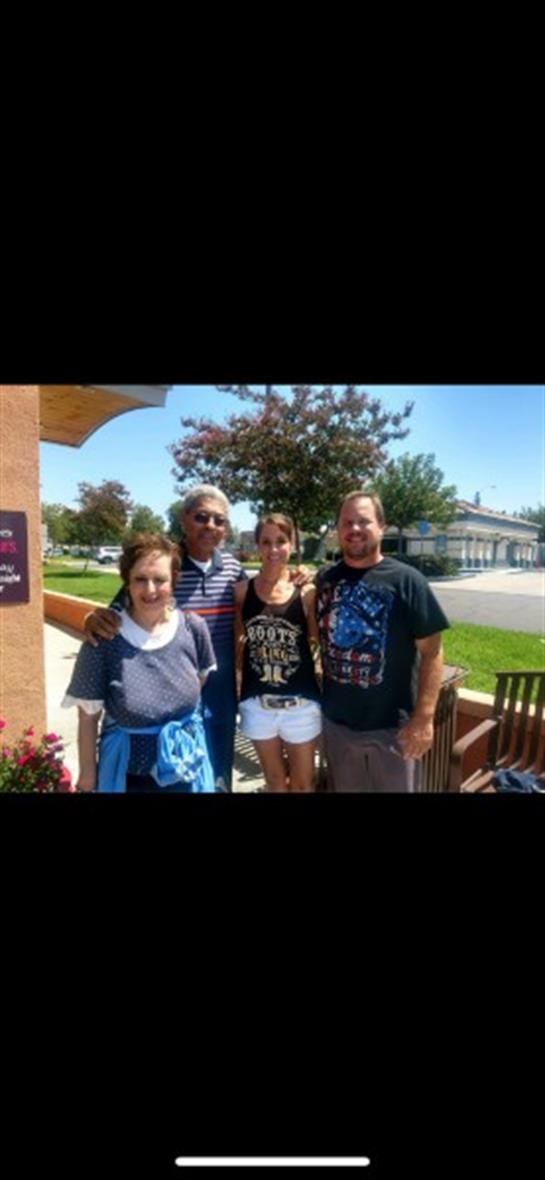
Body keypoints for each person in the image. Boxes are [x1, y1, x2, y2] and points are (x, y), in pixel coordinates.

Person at [83, 484, 312, 792]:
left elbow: (264, 596)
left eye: (219, 520)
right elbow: (116, 611)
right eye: (202, 517)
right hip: (172, 692)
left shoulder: (231, 567)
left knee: (218, 771)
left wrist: (294, 576)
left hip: (220, 691)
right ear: (184, 518)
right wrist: (91, 618)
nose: (211, 526)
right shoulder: (165, 567)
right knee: (179, 774)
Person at [315, 491, 449, 792]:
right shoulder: (325, 580)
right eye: (347, 522)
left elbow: (433, 652)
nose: (355, 529)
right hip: (338, 726)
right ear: (337, 529)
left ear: (381, 527)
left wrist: (424, 718)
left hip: (394, 730)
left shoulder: (407, 581)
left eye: (364, 521)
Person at [62, 533, 216, 792]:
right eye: (140, 579)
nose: (151, 590)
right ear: (126, 582)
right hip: (129, 775)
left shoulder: (194, 629)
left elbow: (199, 683)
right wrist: (88, 777)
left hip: (187, 767)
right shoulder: (104, 641)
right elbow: (88, 719)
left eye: (160, 580)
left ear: (174, 580)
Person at [234, 514, 322, 792]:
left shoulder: (306, 592)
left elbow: (318, 641)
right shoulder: (240, 591)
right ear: (257, 546)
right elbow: (239, 642)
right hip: (258, 705)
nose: (273, 550)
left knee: (303, 785)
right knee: (273, 781)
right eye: (266, 542)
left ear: (292, 544)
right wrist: (238, 681)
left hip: (301, 705)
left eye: (281, 541)